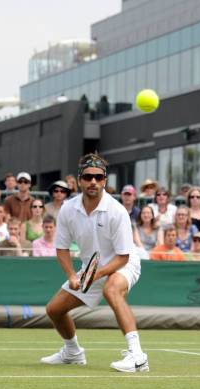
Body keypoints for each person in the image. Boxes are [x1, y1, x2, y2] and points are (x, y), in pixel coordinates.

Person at [41, 153, 147, 373]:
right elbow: (61, 249)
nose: (93, 182)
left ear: (104, 180)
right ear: (80, 179)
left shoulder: (117, 211)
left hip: (123, 263)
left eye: (98, 177)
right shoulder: (68, 210)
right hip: (91, 267)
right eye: (88, 177)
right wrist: (72, 275)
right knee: (54, 310)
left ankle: (137, 356)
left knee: (112, 290)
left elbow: (124, 256)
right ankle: (72, 352)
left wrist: (96, 275)